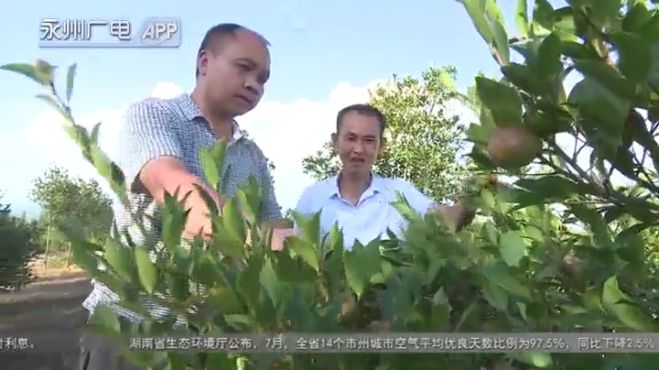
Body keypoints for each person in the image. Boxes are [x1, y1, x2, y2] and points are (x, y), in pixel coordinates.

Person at [78, 23, 287, 370]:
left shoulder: (252, 156)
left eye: (263, 78)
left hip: (210, 337)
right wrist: (262, 239)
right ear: (205, 62)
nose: (254, 84)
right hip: (131, 330)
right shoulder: (154, 116)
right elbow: (174, 187)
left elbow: (274, 222)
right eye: (244, 68)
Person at [294, 103, 475, 249]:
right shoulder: (312, 198)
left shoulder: (400, 192)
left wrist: (475, 195)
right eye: (351, 138)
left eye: (369, 140)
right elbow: (300, 256)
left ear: (381, 146)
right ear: (335, 142)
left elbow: (445, 221)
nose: (358, 149)